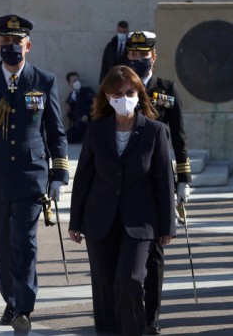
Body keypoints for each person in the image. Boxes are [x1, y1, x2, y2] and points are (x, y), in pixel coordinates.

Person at [0, 14, 69, 332]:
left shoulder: (44, 81)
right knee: (0, 242)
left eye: (17, 43)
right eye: (5, 42)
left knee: (26, 242)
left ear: (28, 45)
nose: (11, 48)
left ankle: (23, 306)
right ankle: (11, 298)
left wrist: (59, 174)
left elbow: (56, 132)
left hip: (30, 176)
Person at [68, 65, 176, 336]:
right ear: (107, 96)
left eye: (130, 91)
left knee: (130, 281)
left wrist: (167, 226)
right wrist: (75, 221)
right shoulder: (96, 130)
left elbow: (164, 181)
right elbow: (84, 178)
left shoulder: (155, 131)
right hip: (99, 219)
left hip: (141, 221)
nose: (125, 97)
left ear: (139, 94)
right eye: (118, 93)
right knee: (104, 287)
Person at [124, 30, 190, 335]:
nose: (138, 60)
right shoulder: (119, 86)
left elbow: (179, 138)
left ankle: (151, 315)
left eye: (143, 55)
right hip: (125, 182)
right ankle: (127, 310)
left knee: (156, 253)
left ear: (155, 55)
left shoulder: (166, 89)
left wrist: (183, 180)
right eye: (133, 56)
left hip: (158, 182)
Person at [64, 71, 95, 143]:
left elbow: (93, 102)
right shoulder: (71, 97)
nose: (77, 82)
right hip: (78, 125)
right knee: (64, 138)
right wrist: (68, 111)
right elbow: (72, 116)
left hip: (88, 123)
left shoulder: (87, 91)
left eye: (77, 80)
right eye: (74, 81)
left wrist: (87, 114)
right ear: (70, 84)